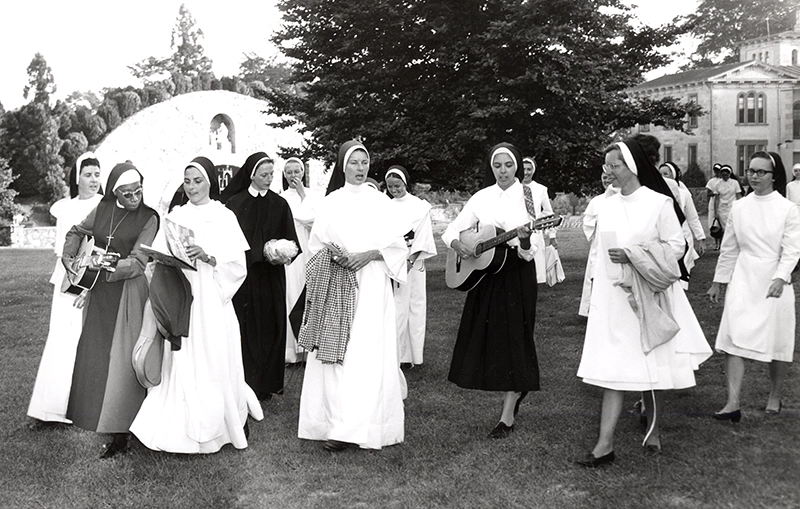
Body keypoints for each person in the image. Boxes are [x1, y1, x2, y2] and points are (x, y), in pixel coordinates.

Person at [575, 139, 711, 467]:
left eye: (615, 165)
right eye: (606, 166)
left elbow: (677, 247)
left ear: (633, 166)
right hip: (612, 297)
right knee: (612, 368)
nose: (609, 172)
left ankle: (653, 431)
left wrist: (636, 255)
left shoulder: (659, 203)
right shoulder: (605, 204)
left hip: (647, 294)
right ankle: (604, 445)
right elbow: (598, 251)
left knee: (651, 364)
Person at [130, 157, 264, 453]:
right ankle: (179, 423)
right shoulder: (175, 215)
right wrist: (163, 257)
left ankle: (219, 424)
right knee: (183, 355)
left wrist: (208, 255)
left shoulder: (224, 215)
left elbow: (237, 265)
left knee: (213, 352)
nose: (192, 187)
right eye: (187, 181)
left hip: (212, 295)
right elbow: (165, 254)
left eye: (198, 181)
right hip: (182, 293)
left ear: (210, 183)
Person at [297, 140, 407, 451]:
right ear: (343, 166)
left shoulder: (380, 203)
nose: (360, 169)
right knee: (336, 354)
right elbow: (316, 245)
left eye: (364, 163)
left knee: (365, 354)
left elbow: (398, 248)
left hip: (371, 284)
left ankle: (367, 427)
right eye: (354, 163)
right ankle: (337, 427)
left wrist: (369, 254)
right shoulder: (330, 202)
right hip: (338, 282)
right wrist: (337, 256)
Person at [62, 162, 159, 458]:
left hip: (128, 293)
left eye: (138, 190)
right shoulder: (103, 209)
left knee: (123, 360)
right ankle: (102, 418)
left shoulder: (149, 217)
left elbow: (139, 262)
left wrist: (103, 263)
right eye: (127, 192)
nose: (134, 197)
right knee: (97, 356)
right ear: (115, 191)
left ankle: (124, 432)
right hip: (99, 294)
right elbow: (77, 230)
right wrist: (69, 254)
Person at [443, 143, 539, 439]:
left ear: (517, 167)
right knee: (486, 338)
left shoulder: (529, 199)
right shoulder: (481, 197)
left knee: (515, 338)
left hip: (516, 274)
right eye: (497, 166)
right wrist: (462, 246)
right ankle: (509, 388)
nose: (502, 171)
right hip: (486, 274)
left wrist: (523, 241)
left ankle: (507, 414)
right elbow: (451, 231)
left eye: (508, 166)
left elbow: (529, 252)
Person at [707, 151, 800, 420]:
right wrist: (718, 282)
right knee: (733, 337)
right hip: (744, 278)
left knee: (778, 340)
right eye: (751, 171)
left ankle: (775, 395)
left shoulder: (788, 209)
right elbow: (730, 248)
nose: (755, 176)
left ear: (774, 176)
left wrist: (780, 277)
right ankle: (732, 403)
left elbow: (792, 250)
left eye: (762, 172)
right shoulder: (740, 206)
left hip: (774, 280)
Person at [27, 152, 103, 426]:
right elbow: (63, 249)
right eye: (88, 174)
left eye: (97, 174)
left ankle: (86, 405)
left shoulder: (105, 206)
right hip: (68, 280)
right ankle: (53, 408)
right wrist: (74, 278)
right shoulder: (66, 208)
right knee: (62, 338)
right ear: (77, 178)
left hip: (94, 280)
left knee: (87, 341)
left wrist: (89, 284)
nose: (93, 180)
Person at [225, 152, 300, 401]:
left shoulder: (279, 204)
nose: (269, 179)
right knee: (245, 328)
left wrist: (281, 252)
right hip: (244, 278)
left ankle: (266, 384)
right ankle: (245, 383)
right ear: (251, 175)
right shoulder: (235, 204)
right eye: (264, 175)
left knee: (271, 326)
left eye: (271, 175)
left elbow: (292, 241)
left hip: (271, 277)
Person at [385, 165, 437, 367]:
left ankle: (414, 355)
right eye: (390, 187)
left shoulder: (419, 206)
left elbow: (423, 237)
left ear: (405, 183)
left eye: (397, 186)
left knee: (415, 306)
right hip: (393, 261)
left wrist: (410, 260)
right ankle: (398, 355)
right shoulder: (386, 207)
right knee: (397, 307)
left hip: (413, 262)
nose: (394, 190)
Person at [280, 157, 323, 364]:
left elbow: (319, 221)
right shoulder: (280, 198)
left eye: (296, 171)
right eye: (289, 172)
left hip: (310, 250)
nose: (293, 175)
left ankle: (310, 347)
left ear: (302, 173)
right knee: (291, 294)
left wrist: (303, 195)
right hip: (292, 254)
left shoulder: (314, 196)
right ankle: (292, 351)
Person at [659, 162, 706, 288]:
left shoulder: (684, 194)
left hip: (683, 237)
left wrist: (700, 239)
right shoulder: (655, 195)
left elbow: (693, 218)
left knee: (681, 274)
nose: (663, 177)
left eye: (666, 174)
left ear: (673, 175)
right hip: (664, 237)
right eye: (660, 174)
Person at [578, 170, 618, 317]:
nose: (606, 180)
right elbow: (587, 223)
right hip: (599, 245)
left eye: (608, 177)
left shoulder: (622, 198)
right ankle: (594, 310)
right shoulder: (597, 201)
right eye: (603, 177)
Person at [521, 157, 557, 284]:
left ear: (533, 171)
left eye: (529, 169)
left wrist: (551, 235)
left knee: (534, 273)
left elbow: (548, 213)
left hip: (535, 234)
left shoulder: (540, 189)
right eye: (523, 169)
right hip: (516, 233)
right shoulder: (512, 188)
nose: (526, 172)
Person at [710, 165, 742, 249]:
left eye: (726, 175)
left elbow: (738, 195)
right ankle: (727, 246)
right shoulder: (717, 184)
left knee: (734, 227)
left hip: (733, 207)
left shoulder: (735, 183)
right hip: (722, 210)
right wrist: (716, 212)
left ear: (729, 174)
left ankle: (735, 245)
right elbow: (716, 199)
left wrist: (741, 207)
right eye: (723, 175)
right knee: (725, 228)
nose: (725, 177)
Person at [706, 164, 722, 230]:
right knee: (713, 219)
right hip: (713, 201)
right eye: (715, 171)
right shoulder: (711, 181)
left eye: (718, 171)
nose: (716, 173)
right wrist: (715, 193)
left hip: (722, 201)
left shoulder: (723, 181)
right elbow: (708, 193)